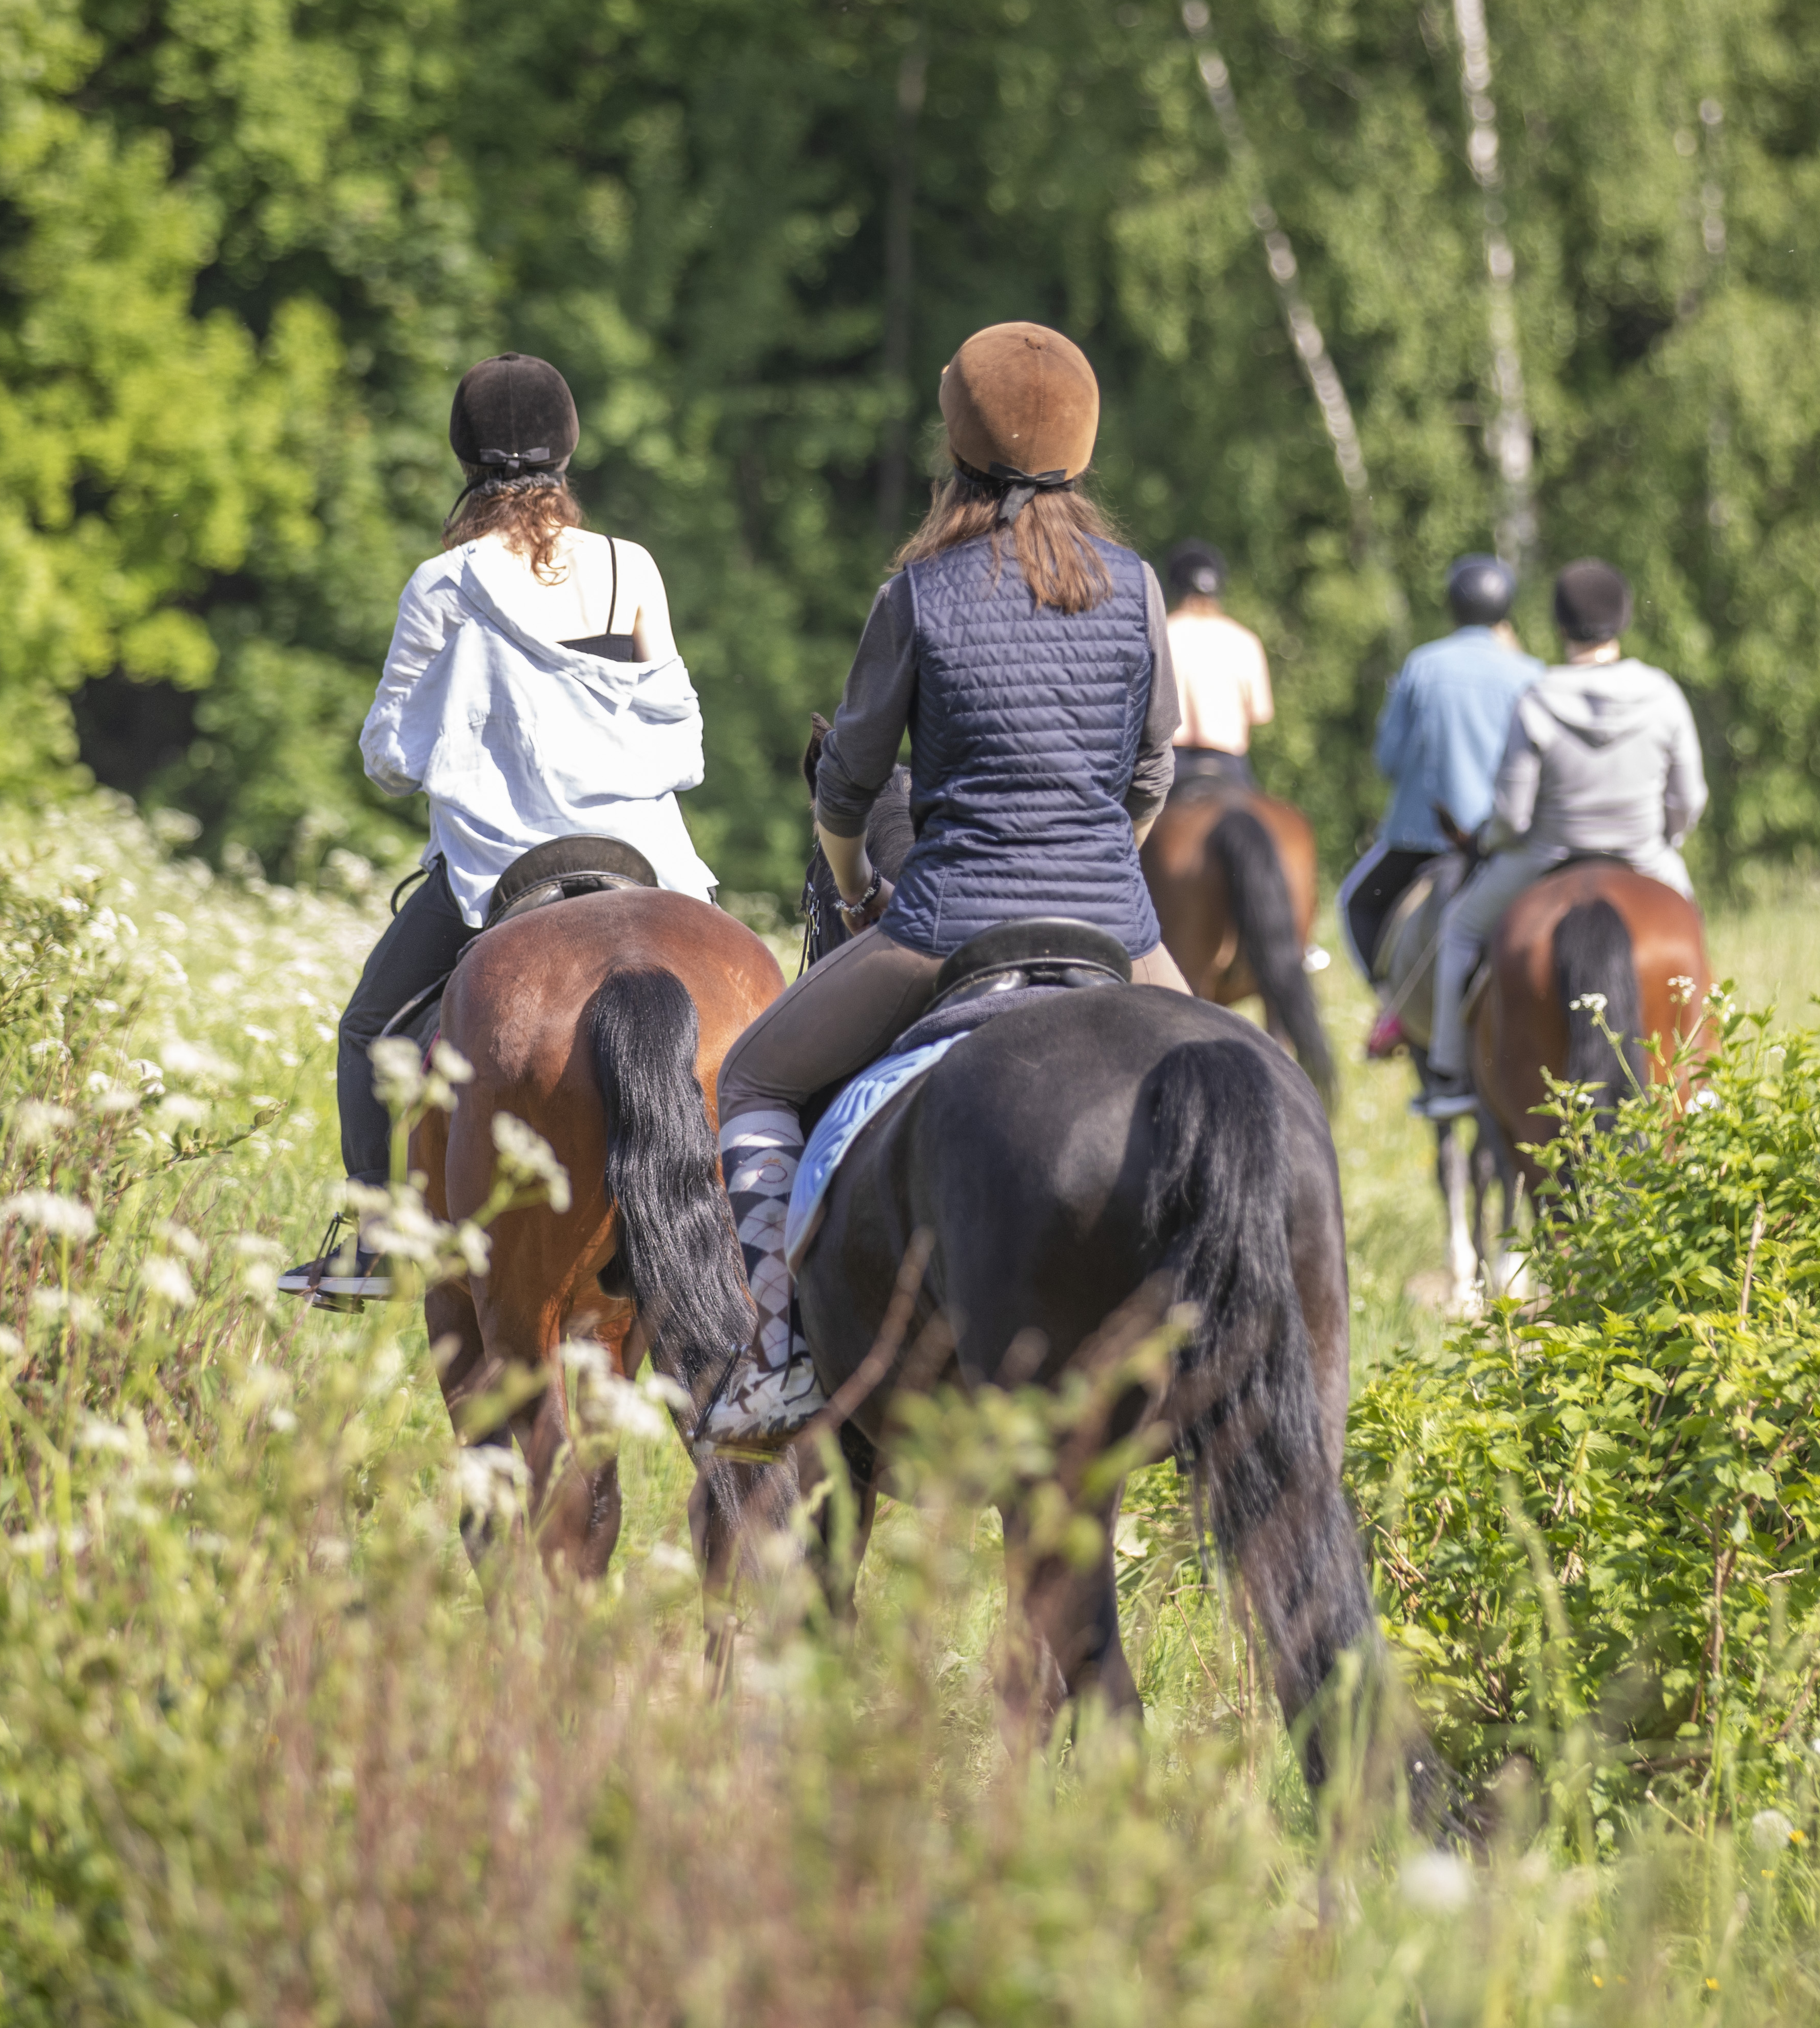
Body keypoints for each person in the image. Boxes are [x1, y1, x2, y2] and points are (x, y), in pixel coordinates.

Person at [705, 321, 1190, 1453]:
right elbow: (1156, 762)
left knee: (754, 1078)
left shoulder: (917, 594)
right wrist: (1109, 853)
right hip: (1114, 926)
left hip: (945, 924)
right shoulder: (1138, 586)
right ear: (1083, 446)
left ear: (955, 444)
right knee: (1244, 1074)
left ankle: (775, 1353)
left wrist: (859, 882)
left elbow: (846, 786)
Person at [278, 352, 716, 1301]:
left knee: (366, 1031)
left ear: (462, 454)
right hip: (644, 863)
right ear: (568, 448)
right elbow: (682, 742)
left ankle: (378, 1243)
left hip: (502, 870)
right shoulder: (627, 569)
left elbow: (389, 756)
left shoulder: (444, 582)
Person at [1422, 559, 1706, 1105]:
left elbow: (1511, 811)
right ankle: (1704, 1073)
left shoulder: (1537, 697)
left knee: (1458, 929)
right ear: (1621, 621)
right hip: (1645, 856)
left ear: (1560, 626)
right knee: (1690, 932)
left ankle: (1449, 1070)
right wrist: (1666, 836)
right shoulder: (1663, 693)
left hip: (1545, 857)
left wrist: (1495, 842)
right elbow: (1689, 797)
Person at [1340, 554, 1540, 1030]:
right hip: (1505, 841)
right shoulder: (1530, 672)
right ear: (1506, 610)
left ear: (1452, 606)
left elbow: (1387, 760)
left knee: (1355, 903)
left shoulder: (1421, 665)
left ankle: (1393, 1008)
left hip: (1423, 839)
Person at [1159, 538, 1273, 791]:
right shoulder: (1246, 641)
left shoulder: (1161, 635)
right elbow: (1261, 713)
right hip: (1229, 765)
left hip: (1171, 763)